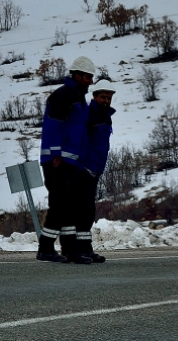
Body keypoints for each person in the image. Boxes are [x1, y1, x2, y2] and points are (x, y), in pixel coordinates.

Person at [38, 55, 95, 263]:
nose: (90, 81)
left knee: (69, 204)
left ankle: (70, 250)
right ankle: (45, 247)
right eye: (88, 77)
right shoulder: (63, 96)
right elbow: (54, 125)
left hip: (70, 162)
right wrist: (55, 154)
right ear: (78, 75)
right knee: (61, 204)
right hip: (57, 161)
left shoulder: (79, 98)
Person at [71, 78, 117, 264]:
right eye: (103, 97)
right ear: (95, 96)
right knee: (81, 211)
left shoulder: (105, 116)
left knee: (88, 212)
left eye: (109, 97)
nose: (106, 100)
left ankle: (85, 249)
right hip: (83, 170)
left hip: (95, 170)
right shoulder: (88, 114)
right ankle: (75, 250)